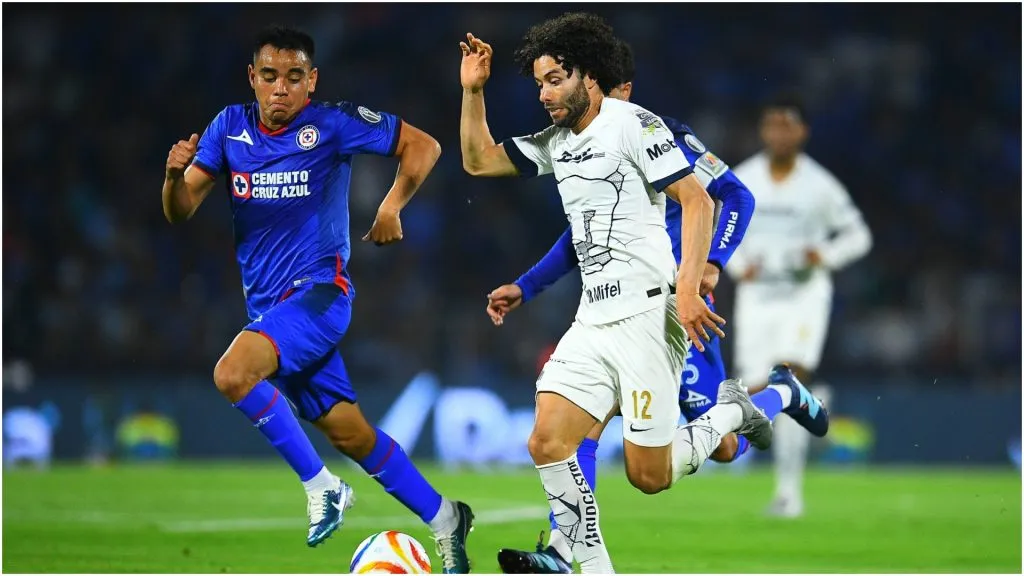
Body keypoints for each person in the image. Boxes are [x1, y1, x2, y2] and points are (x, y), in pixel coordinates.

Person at [487, 39, 829, 574]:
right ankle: (564, 550)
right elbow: (578, 236)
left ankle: (777, 394)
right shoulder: (584, 140)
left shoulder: (661, 134)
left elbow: (733, 196)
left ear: (620, 88)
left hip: (673, 304)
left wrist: (711, 263)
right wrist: (527, 286)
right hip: (608, 314)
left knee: (715, 451)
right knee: (574, 430)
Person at [161, 25, 473, 571]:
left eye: (294, 77)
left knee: (233, 374)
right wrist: (170, 178)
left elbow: (423, 146)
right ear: (252, 79)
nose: (280, 89)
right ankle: (447, 517)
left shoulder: (332, 123)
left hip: (320, 296)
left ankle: (322, 487)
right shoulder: (228, 128)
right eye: (269, 76)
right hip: (271, 310)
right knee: (351, 433)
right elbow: (180, 208)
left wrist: (392, 205)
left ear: (312, 82)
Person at [727, 93, 873, 518]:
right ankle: (819, 414)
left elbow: (858, 236)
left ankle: (788, 493)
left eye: (787, 124)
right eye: (772, 124)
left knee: (785, 376)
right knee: (755, 388)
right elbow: (718, 230)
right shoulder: (744, 177)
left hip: (803, 295)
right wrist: (737, 267)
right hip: (757, 297)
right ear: (762, 131)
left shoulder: (820, 186)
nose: (779, 133)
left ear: (803, 131)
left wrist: (823, 256)